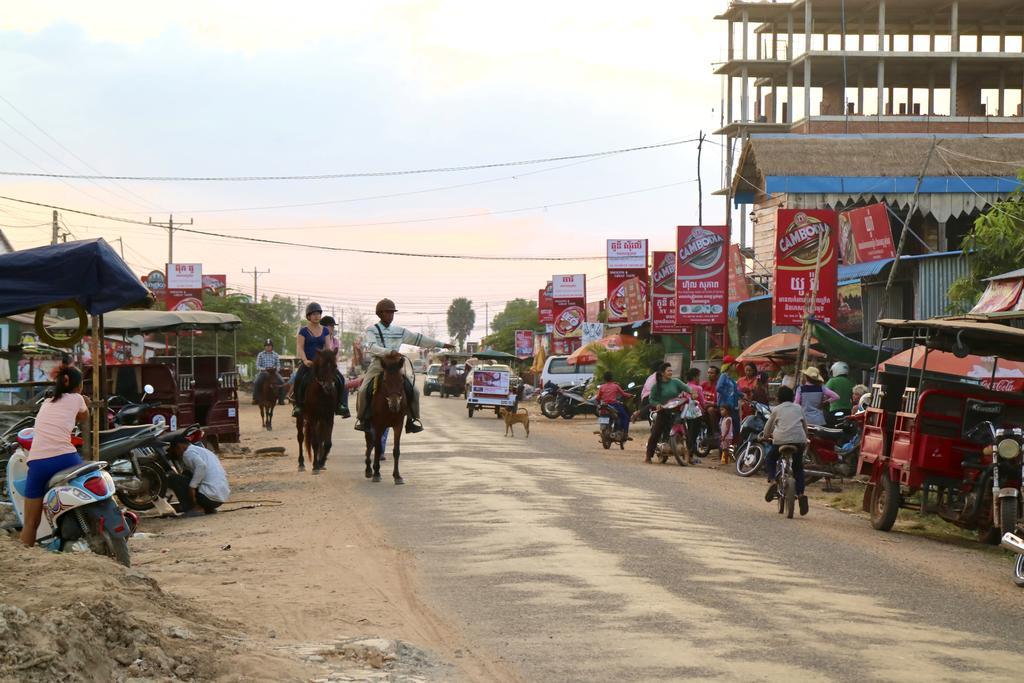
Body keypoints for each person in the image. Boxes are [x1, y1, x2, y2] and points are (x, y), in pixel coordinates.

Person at [355, 298, 453, 434]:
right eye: (387, 312)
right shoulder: (372, 330)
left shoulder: (400, 331)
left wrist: (441, 344)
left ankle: (412, 420)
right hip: (378, 364)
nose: (390, 315)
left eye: (392, 312)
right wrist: (389, 351)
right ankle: (363, 419)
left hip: (395, 366)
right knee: (363, 391)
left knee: (415, 391)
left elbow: (419, 339)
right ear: (380, 314)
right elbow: (372, 347)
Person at [19, 366, 88, 546]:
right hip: (67, 458)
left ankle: (27, 555)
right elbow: (85, 416)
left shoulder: (46, 403)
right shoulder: (77, 398)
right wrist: (84, 403)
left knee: (30, 524)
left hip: (38, 463)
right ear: (78, 385)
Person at [291, 303, 348, 418]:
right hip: (309, 363)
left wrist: (330, 360)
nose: (316, 316)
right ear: (308, 316)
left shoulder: (325, 331)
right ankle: (298, 406)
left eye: (318, 314)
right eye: (313, 314)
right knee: (298, 379)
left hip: (323, 364)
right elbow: (300, 348)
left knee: (340, 379)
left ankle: (341, 405)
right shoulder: (303, 331)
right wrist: (305, 360)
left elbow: (327, 348)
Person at [761, 385, 810, 516]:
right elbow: (805, 426)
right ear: (793, 397)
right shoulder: (798, 408)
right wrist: (805, 438)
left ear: (778, 398)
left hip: (780, 441)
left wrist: (766, 436)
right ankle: (800, 494)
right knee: (798, 467)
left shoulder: (776, 409)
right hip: (798, 441)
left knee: (771, 458)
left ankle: (772, 480)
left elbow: (767, 428)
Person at [166, 434, 230, 516]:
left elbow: (201, 466)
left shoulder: (188, 453)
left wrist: (192, 486)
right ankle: (206, 508)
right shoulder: (202, 451)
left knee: (174, 478)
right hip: (218, 499)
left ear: (179, 447)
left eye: (176, 451)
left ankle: (194, 508)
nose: (178, 454)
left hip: (208, 498)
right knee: (187, 474)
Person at [645, 362, 693, 464]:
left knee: (686, 432)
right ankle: (648, 456)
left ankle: (690, 455)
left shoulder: (675, 382)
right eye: (668, 371)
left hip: (676, 411)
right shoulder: (656, 386)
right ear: (662, 373)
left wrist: (692, 392)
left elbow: (686, 387)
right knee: (655, 434)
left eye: (671, 370)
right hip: (663, 412)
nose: (671, 372)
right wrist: (657, 404)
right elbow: (652, 399)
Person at [320, 315, 350, 417]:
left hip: (331, 367)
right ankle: (298, 403)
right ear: (323, 327)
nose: (333, 328)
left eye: (333, 326)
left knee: (343, 382)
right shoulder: (320, 338)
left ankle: (342, 405)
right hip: (320, 367)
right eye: (331, 326)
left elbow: (336, 357)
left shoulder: (336, 341)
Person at [596, 371, 632, 440]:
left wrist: (598, 403)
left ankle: (604, 429)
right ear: (612, 378)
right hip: (614, 405)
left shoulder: (601, 387)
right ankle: (625, 433)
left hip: (604, 406)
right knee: (625, 416)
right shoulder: (616, 386)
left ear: (604, 379)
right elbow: (624, 394)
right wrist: (630, 395)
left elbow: (598, 398)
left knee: (602, 414)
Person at [683, 368, 706, 463]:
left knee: (689, 434)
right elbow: (702, 402)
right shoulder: (698, 388)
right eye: (698, 376)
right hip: (696, 414)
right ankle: (690, 456)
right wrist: (704, 409)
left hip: (685, 412)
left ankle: (686, 455)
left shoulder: (684, 386)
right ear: (694, 377)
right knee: (693, 435)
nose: (699, 379)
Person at [717, 356, 741, 439]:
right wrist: (728, 394)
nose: (735, 366)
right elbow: (718, 388)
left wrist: (742, 395)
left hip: (733, 406)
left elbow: (735, 391)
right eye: (734, 364)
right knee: (727, 427)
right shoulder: (723, 376)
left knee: (735, 426)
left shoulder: (731, 378)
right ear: (729, 365)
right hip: (726, 406)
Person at [252, 339, 281, 405]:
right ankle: (255, 398)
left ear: (272, 347)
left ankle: (281, 399)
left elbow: (278, 365)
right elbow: (257, 365)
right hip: (263, 372)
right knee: (256, 382)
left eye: (269, 346)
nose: (268, 347)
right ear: (264, 347)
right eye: (267, 346)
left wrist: (276, 369)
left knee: (281, 381)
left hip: (273, 372)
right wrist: (264, 369)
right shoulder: (260, 354)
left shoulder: (276, 354)